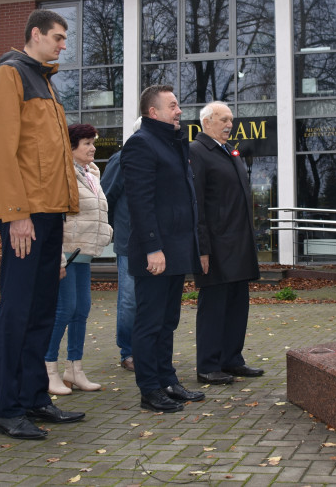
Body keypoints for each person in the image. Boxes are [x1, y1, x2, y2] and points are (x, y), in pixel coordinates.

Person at [0, 9, 84, 440]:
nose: (63, 45)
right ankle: (8, 409)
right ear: (35, 35)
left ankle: (34, 399)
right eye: (58, 37)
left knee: (42, 312)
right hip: (25, 217)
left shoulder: (44, 81)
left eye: (64, 39)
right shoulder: (9, 75)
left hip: (49, 216)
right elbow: (4, 152)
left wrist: (56, 219)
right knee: (18, 314)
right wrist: (17, 214)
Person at [122, 84, 206, 413]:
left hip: (176, 249)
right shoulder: (141, 145)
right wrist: (152, 249)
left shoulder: (174, 144)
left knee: (168, 320)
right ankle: (150, 389)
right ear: (153, 112)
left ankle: (168, 379)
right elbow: (140, 204)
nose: (179, 110)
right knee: (149, 322)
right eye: (172, 105)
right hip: (155, 253)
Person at [189, 102, 264, 385]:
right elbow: (196, 205)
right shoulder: (197, 152)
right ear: (206, 122)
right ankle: (208, 365)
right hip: (217, 247)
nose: (229, 124)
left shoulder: (229, 151)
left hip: (239, 246)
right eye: (223, 119)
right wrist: (202, 249)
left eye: (231, 119)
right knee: (214, 307)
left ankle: (231, 360)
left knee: (236, 306)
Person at [44, 123, 113, 395]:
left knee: (81, 310)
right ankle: (48, 369)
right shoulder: (63, 174)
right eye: (86, 143)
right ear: (71, 147)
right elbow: (57, 216)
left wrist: (106, 233)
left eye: (93, 142)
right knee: (65, 310)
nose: (93, 147)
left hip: (84, 255)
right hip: (67, 254)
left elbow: (97, 211)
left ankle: (74, 369)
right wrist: (57, 256)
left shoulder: (92, 173)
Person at [100, 117, 143, 374]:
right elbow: (106, 197)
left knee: (148, 301)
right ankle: (127, 351)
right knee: (129, 300)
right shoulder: (121, 159)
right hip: (129, 242)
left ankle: (146, 349)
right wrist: (112, 230)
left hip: (156, 244)